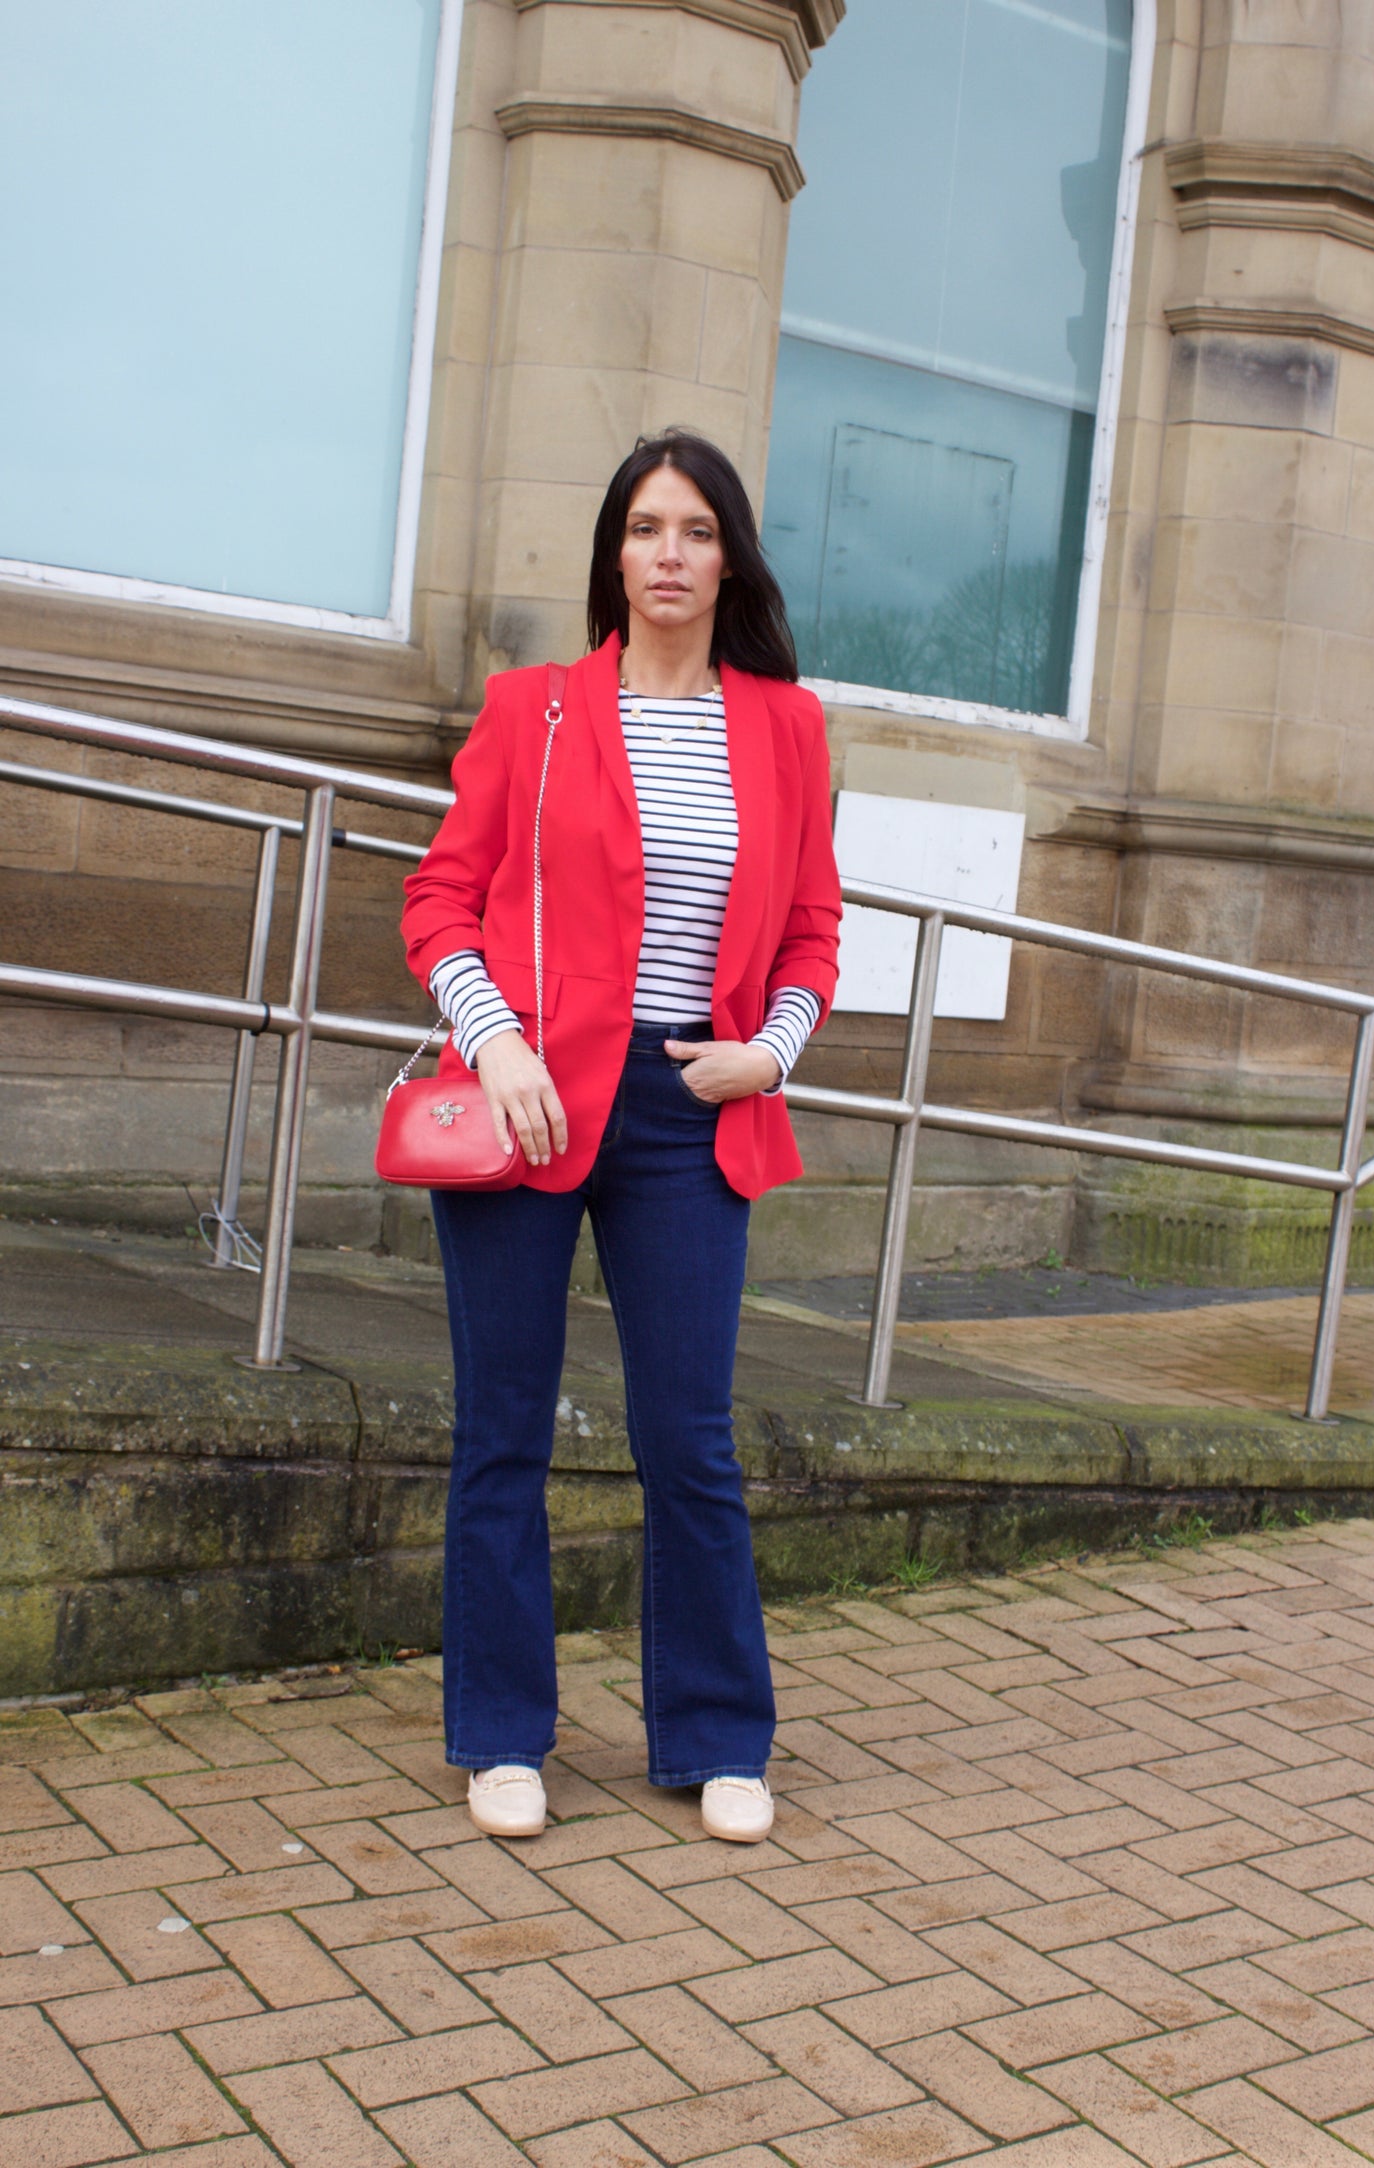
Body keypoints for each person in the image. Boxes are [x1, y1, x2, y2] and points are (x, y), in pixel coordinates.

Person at [400, 429, 842, 1844]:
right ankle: (501, 1735)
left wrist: (767, 1053)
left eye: (695, 530)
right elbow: (439, 905)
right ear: (613, 551)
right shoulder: (530, 707)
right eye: (645, 527)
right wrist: (500, 1042)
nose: (667, 553)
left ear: (729, 558)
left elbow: (813, 931)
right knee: (503, 1435)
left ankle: (716, 1734)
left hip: (686, 1114)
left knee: (688, 1439)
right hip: (529, 1103)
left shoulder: (783, 723)